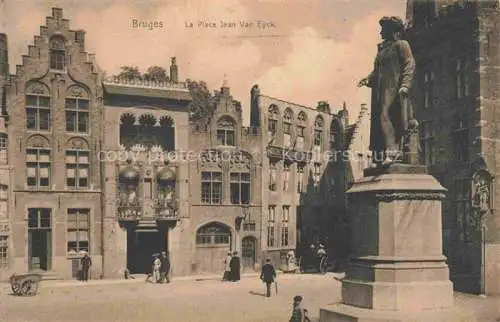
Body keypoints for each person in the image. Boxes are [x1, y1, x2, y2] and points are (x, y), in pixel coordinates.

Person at [358, 16, 416, 165]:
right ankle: (383, 154)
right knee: (379, 120)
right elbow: (376, 71)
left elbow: (410, 64)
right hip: (380, 91)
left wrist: (405, 85)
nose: (381, 32)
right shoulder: (382, 51)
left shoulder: (402, 45)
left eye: (384, 29)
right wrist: (368, 79)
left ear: (392, 30)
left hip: (394, 89)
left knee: (389, 117)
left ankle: (393, 152)